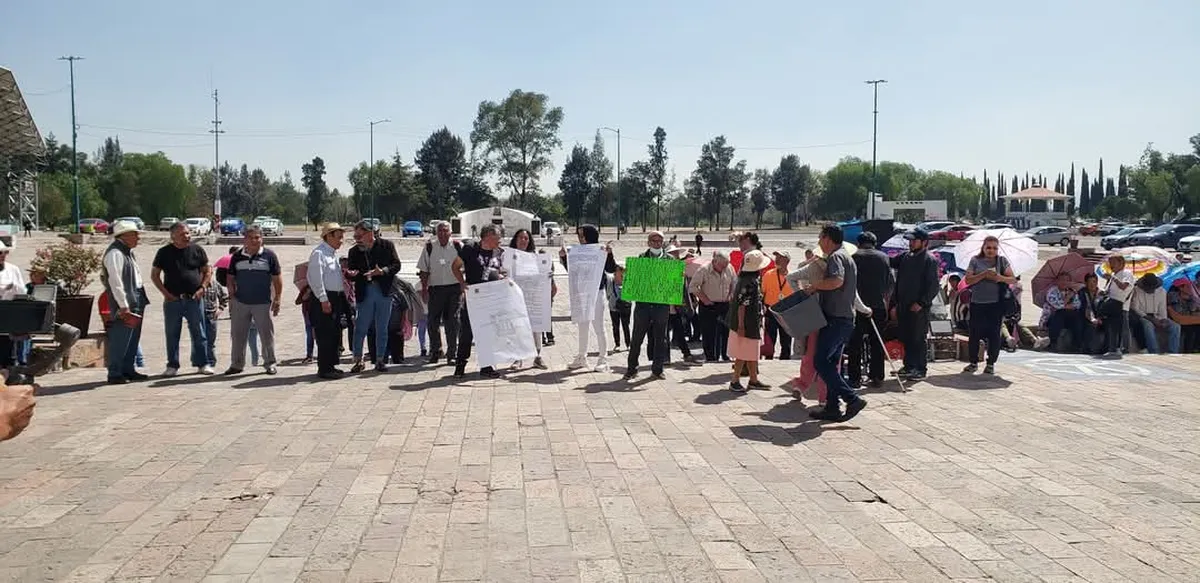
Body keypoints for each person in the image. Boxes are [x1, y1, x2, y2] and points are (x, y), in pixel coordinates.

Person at [800, 225, 867, 422]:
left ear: (828, 239)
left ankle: (851, 398)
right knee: (831, 363)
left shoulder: (837, 257)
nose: (819, 242)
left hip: (837, 319)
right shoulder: (847, 257)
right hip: (844, 318)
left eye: (820, 237)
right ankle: (832, 406)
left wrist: (814, 287)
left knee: (820, 361)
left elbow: (836, 281)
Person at [152, 222, 212, 376]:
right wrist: (165, 294)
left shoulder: (197, 250)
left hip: (194, 299)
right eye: (182, 234)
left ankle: (203, 363)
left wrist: (202, 288)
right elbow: (155, 275)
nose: (186, 236)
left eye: (187, 233)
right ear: (172, 236)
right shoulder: (164, 252)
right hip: (173, 300)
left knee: (199, 332)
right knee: (172, 334)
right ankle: (172, 365)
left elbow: (207, 271)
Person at [225, 225, 284, 375]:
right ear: (244, 239)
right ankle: (237, 364)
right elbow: (230, 277)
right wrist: (231, 294)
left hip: (262, 302)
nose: (254, 240)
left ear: (262, 239)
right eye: (250, 237)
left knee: (266, 335)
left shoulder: (269, 256)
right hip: (241, 302)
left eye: (257, 237)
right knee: (238, 335)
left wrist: (277, 298)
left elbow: (277, 279)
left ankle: (270, 363)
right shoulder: (237, 256)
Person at [559, 225, 617, 372]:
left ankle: (603, 358)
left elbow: (611, 269)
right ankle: (581, 357)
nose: (580, 238)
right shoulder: (577, 251)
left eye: (583, 235)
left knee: (598, 326)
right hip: (581, 292)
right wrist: (564, 257)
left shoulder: (599, 250)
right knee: (582, 325)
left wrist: (609, 254)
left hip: (597, 292)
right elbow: (572, 271)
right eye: (579, 235)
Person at [451, 225, 507, 378]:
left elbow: (498, 270)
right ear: (488, 236)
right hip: (474, 297)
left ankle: (486, 366)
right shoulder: (470, 249)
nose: (500, 240)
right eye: (497, 237)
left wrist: (502, 278)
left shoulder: (498, 252)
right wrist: (462, 284)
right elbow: (455, 266)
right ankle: (460, 365)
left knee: (487, 333)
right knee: (467, 333)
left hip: (490, 298)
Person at [347, 220, 402, 373]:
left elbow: (396, 265)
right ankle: (358, 359)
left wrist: (382, 271)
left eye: (360, 235)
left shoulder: (387, 246)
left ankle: (380, 360)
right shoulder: (354, 251)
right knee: (361, 328)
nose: (357, 239)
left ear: (370, 233)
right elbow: (351, 272)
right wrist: (351, 274)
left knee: (382, 328)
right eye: (355, 236)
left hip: (384, 292)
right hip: (365, 292)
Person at [101, 220, 150, 384]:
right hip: (126, 301)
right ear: (125, 236)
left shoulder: (127, 252)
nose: (138, 238)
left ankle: (128, 369)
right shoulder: (115, 253)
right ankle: (115, 372)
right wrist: (123, 305)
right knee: (121, 339)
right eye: (135, 234)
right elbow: (115, 282)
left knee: (132, 339)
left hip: (136, 297)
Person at [890, 229, 940, 381]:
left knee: (917, 338)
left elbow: (933, 286)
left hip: (918, 308)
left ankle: (920, 368)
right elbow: (889, 262)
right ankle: (908, 366)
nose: (911, 243)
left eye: (914, 240)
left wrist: (921, 303)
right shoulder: (905, 257)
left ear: (924, 242)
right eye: (910, 241)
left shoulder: (929, 260)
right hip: (903, 305)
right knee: (906, 336)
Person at [962, 235, 1016, 374]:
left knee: (994, 334)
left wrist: (998, 277)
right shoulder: (975, 260)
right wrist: (984, 274)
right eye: (988, 247)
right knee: (974, 334)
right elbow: (968, 280)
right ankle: (973, 362)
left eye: (994, 248)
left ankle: (991, 363)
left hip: (995, 304)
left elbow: (1012, 279)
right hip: (977, 303)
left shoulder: (1002, 261)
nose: (991, 251)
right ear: (983, 248)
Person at [623, 231, 672, 381]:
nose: (657, 243)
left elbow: (673, 283)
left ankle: (657, 369)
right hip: (643, 306)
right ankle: (632, 369)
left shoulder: (670, 260)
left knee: (660, 338)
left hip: (661, 305)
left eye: (659, 241)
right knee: (637, 338)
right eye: (654, 240)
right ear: (648, 242)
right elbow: (634, 281)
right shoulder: (641, 258)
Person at [847, 232, 893, 389]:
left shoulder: (854, 257)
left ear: (858, 243)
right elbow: (889, 283)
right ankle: (877, 376)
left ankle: (854, 377)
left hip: (857, 306)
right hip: (878, 305)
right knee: (877, 343)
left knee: (855, 343)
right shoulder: (884, 257)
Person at [306, 223, 351, 380]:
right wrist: (323, 299)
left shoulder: (331, 254)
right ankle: (324, 368)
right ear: (329, 236)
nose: (341, 241)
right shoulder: (319, 254)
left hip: (336, 297)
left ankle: (331, 365)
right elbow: (315, 279)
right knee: (325, 334)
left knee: (333, 333)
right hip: (324, 298)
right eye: (339, 237)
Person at [417, 221, 462, 366]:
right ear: (436, 232)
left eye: (445, 231)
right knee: (432, 322)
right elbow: (424, 271)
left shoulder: (457, 246)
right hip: (435, 289)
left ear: (450, 232)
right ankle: (435, 351)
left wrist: (463, 287)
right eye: (440, 231)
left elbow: (465, 268)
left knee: (452, 322)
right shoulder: (429, 247)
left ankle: (452, 354)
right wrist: (424, 289)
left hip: (454, 289)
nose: (442, 233)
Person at [726, 250, 770, 393]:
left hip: (750, 322)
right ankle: (735, 380)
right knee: (743, 353)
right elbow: (742, 306)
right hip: (746, 324)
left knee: (751, 353)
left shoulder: (744, 280)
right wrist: (741, 326)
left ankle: (753, 379)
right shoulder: (749, 283)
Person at [510, 229, 552, 369]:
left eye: (526, 238)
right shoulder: (509, 256)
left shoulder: (535, 257)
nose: (523, 240)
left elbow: (541, 275)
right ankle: (518, 358)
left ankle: (538, 357)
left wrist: (548, 275)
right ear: (516, 239)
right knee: (518, 328)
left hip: (533, 297)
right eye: (521, 237)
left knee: (536, 328)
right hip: (515, 297)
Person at [691, 250, 735, 362]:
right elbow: (693, 287)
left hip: (725, 304)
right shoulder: (704, 269)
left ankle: (725, 355)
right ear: (714, 262)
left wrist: (731, 294)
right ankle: (711, 357)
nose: (724, 268)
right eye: (722, 266)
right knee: (709, 332)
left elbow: (734, 282)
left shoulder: (729, 268)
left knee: (726, 332)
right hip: (709, 305)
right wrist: (705, 299)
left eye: (726, 265)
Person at [1129, 273, 1180, 354]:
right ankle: (1154, 351)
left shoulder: (1162, 291)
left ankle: (1173, 352)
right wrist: (1151, 319)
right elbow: (1136, 308)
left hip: (1157, 316)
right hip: (1143, 316)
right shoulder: (1136, 290)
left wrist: (1163, 319)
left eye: (1152, 288)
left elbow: (1162, 308)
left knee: (1176, 327)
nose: (1150, 290)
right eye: (1148, 288)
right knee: (1148, 325)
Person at [759, 250, 795, 361]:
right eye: (776, 257)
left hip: (787, 311)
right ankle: (769, 359)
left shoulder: (793, 276)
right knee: (770, 338)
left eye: (780, 257)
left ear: (787, 261)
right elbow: (762, 293)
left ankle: (785, 359)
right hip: (771, 310)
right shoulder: (768, 274)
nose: (777, 260)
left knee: (786, 339)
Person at [1098, 255, 1135, 358]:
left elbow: (1123, 286)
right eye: (1110, 263)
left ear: (1121, 263)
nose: (1111, 265)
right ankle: (1112, 348)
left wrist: (1113, 278)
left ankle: (1124, 348)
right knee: (1112, 328)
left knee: (1122, 328)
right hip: (1112, 306)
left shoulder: (1126, 273)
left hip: (1121, 306)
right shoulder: (1114, 275)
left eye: (1113, 263)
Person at [1042, 272, 1085, 353]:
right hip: (1051, 318)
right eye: (1062, 280)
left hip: (1067, 318)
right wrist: (1068, 298)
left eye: (1067, 280)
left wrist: (1067, 305)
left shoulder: (1072, 291)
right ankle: (1053, 343)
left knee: (1077, 316)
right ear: (1057, 281)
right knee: (1060, 313)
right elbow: (1057, 306)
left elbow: (1077, 305)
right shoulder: (1052, 291)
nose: (1064, 282)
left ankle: (1077, 345)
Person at [0, 242, 25, 372]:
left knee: (8, 347)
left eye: (5, 252)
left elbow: (22, 291)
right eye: (0, 253)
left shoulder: (13, 269)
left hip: (8, 312)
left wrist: (13, 287)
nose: (3, 255)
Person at [200, 276, 228, 370]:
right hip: (198, 316)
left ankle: (211, 362)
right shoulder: (196, 283)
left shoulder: (215, 284)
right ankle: (202, 363)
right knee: (199, 340)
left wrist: (220, 309)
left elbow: (224, 298)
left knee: (210, 341)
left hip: (212, 316)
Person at [1167, 276, 1200, 352]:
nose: (1191, 288)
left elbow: (1193, 310)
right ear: (1181, 288)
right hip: (1176, 319)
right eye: (1188, 286)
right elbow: (1179, 311)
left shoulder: (1191, 297)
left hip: (1187, 319)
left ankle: (1196, 349)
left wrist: (1193, 301)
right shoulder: (1173, 296)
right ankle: (1188, 351)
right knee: (1191, 329)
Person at [605, 264, 632, 352]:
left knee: (626, 326)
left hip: (625, 307)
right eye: (617, 272)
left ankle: (628, 344)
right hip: (614, 307)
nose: (619, 275)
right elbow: (608, 293)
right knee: (615, 326)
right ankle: (617, 344)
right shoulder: (611, 281)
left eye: (621, 273)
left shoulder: (627, 282)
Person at [1078, 272, 1104, 354]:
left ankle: (1107, 348)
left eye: (1094, 282)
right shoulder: (1082, 293)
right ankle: (1085, 347)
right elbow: (1085, 307)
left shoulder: (1102, 293)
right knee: (1088, 325)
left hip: (1099, 317)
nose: (1092, 284)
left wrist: (1100, 318)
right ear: (1086, 283)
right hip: (1085, 317)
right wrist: (1092, 319)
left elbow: (1104, 308)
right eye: (1090, 282)